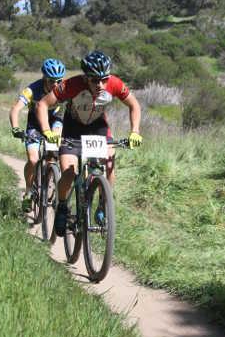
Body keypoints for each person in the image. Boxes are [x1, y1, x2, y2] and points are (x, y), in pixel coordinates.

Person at [36, 50, 142, 237]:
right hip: (73, 129)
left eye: (104, 79)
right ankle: (62, 207)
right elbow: (43, 104)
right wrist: (46, 131)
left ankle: (102, 205)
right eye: (94, 80)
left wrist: (134, 132)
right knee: (68, 173)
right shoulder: (71, 85)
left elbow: (134, 105)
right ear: (85, 78)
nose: (100, 85)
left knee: (109, 165)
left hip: (98, 129)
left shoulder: (115, 84)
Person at [9, 58, 66, 212]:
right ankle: (28, 191)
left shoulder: (64, 89)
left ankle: (49, 178)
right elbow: (15, 109)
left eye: (59, 81)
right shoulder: (32, 90)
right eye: (51, 81)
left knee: (53, 151)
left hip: (55, 121)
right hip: (34, 125)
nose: (55, 84)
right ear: (44, 78)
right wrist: (15, 128)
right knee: (33, 159)